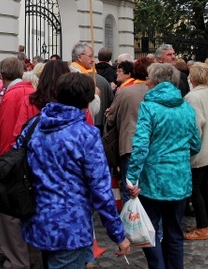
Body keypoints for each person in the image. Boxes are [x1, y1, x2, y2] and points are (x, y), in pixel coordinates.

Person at [21, 72, 131, 268]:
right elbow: (101, 189)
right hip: (70, 226)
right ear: (87, 101)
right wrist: (117, 233)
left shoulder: (34, 125)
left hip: (37, 218)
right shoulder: (86, 135)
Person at [126, 63, 201, 269]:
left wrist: (132, 177)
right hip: (179, 178)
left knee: (149, 230)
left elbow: (140, 145)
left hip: (153, 180)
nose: (147, 81)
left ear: (156, 81)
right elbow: (195, 144)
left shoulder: (149, 106)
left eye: (149, 78)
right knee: (174, 232)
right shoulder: (186, 107)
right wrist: (178, 156)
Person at [0, 55, 38, 268]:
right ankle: (28, 257)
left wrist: (2, 165)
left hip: (13, 162)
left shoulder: (11, 95)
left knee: (11, 215)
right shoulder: (30, 90)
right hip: (28, 161)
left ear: (1, 74)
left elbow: (6, 131)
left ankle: (17, 260)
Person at [183, 62, 208, 241]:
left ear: (192, 77)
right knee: (206, 188)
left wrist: (190, 147)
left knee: (196, 189)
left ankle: (203, 226)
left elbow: (195, 126)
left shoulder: (193, 97)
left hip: (200, 150)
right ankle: (206, 223)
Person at [105, 57, 151, 202]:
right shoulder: (154, 91)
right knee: (149, 187)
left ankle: (130, 221)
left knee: (129, 187)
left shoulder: (125, 91)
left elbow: (111, 118)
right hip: (152, 144)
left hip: (129, 143)